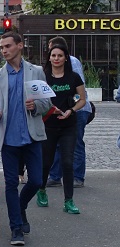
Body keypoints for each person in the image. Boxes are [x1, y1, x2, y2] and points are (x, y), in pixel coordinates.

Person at [0, 31, 52, 246]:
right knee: (10, 184)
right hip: (8, 140)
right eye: (2, 47)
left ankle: (21, 206)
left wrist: (36, 107)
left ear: (20, 46)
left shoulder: (37, 72)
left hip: (32, 136)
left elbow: (47, 104)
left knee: (35, 180)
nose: (4, 50)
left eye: (8, 46)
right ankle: (16, 228)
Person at [37, 43, 86, 215]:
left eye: (59, 55)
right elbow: (36, 98)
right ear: (49, 57)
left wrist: (71, 110)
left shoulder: (73, 77)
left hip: (68, 125)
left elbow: (82, 99)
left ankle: (69, 201)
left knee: (67, 162)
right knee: (46, 163)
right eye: (53, 55)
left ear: (66, 57)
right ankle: (41, 190)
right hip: (48, 125)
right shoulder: (43, 77)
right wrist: (49, 109)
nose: (56, 59)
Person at [46, 36, 90, 188]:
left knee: (75, 144)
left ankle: (78, 177)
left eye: (57, 53)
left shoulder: (73, 64)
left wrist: (72, 105)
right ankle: (55, 176)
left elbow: (77, 90)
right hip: (59, 113)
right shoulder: (47, 73)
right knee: (58, 146)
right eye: (52, 54)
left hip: (79, 110)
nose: (54, 56)